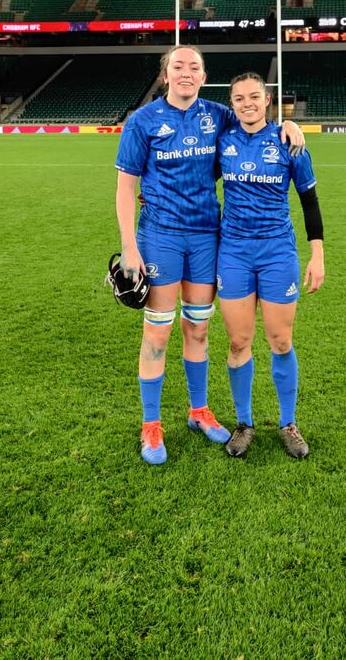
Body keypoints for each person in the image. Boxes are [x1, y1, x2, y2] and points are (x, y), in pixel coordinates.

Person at [115, 45, 305, 466]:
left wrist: (288, 123)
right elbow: (126, 186)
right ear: (166, 75)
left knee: (198, 331)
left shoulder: (218, 115)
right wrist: (130, 246)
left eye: (194, 67)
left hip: (206, 238)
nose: (186, 73)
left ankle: (198, 411)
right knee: (158, 333)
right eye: (178, 66)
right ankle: (151, 424)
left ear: (204, 77)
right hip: (160, 238)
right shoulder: (141, 122)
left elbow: (256, 120)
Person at [216, 72, 324, 459]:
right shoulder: (222, 141)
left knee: (281, 341)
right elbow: (192, 178)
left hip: (278, 252)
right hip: (233, 254)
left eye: (254, 96)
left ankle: (288, 422)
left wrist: (318, 255)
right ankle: (244, 423)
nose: (246, 103)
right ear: (232, 104)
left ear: (266, 101)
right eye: (239, 98)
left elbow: (309, 202)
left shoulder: (288, 143)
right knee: (238, 341)